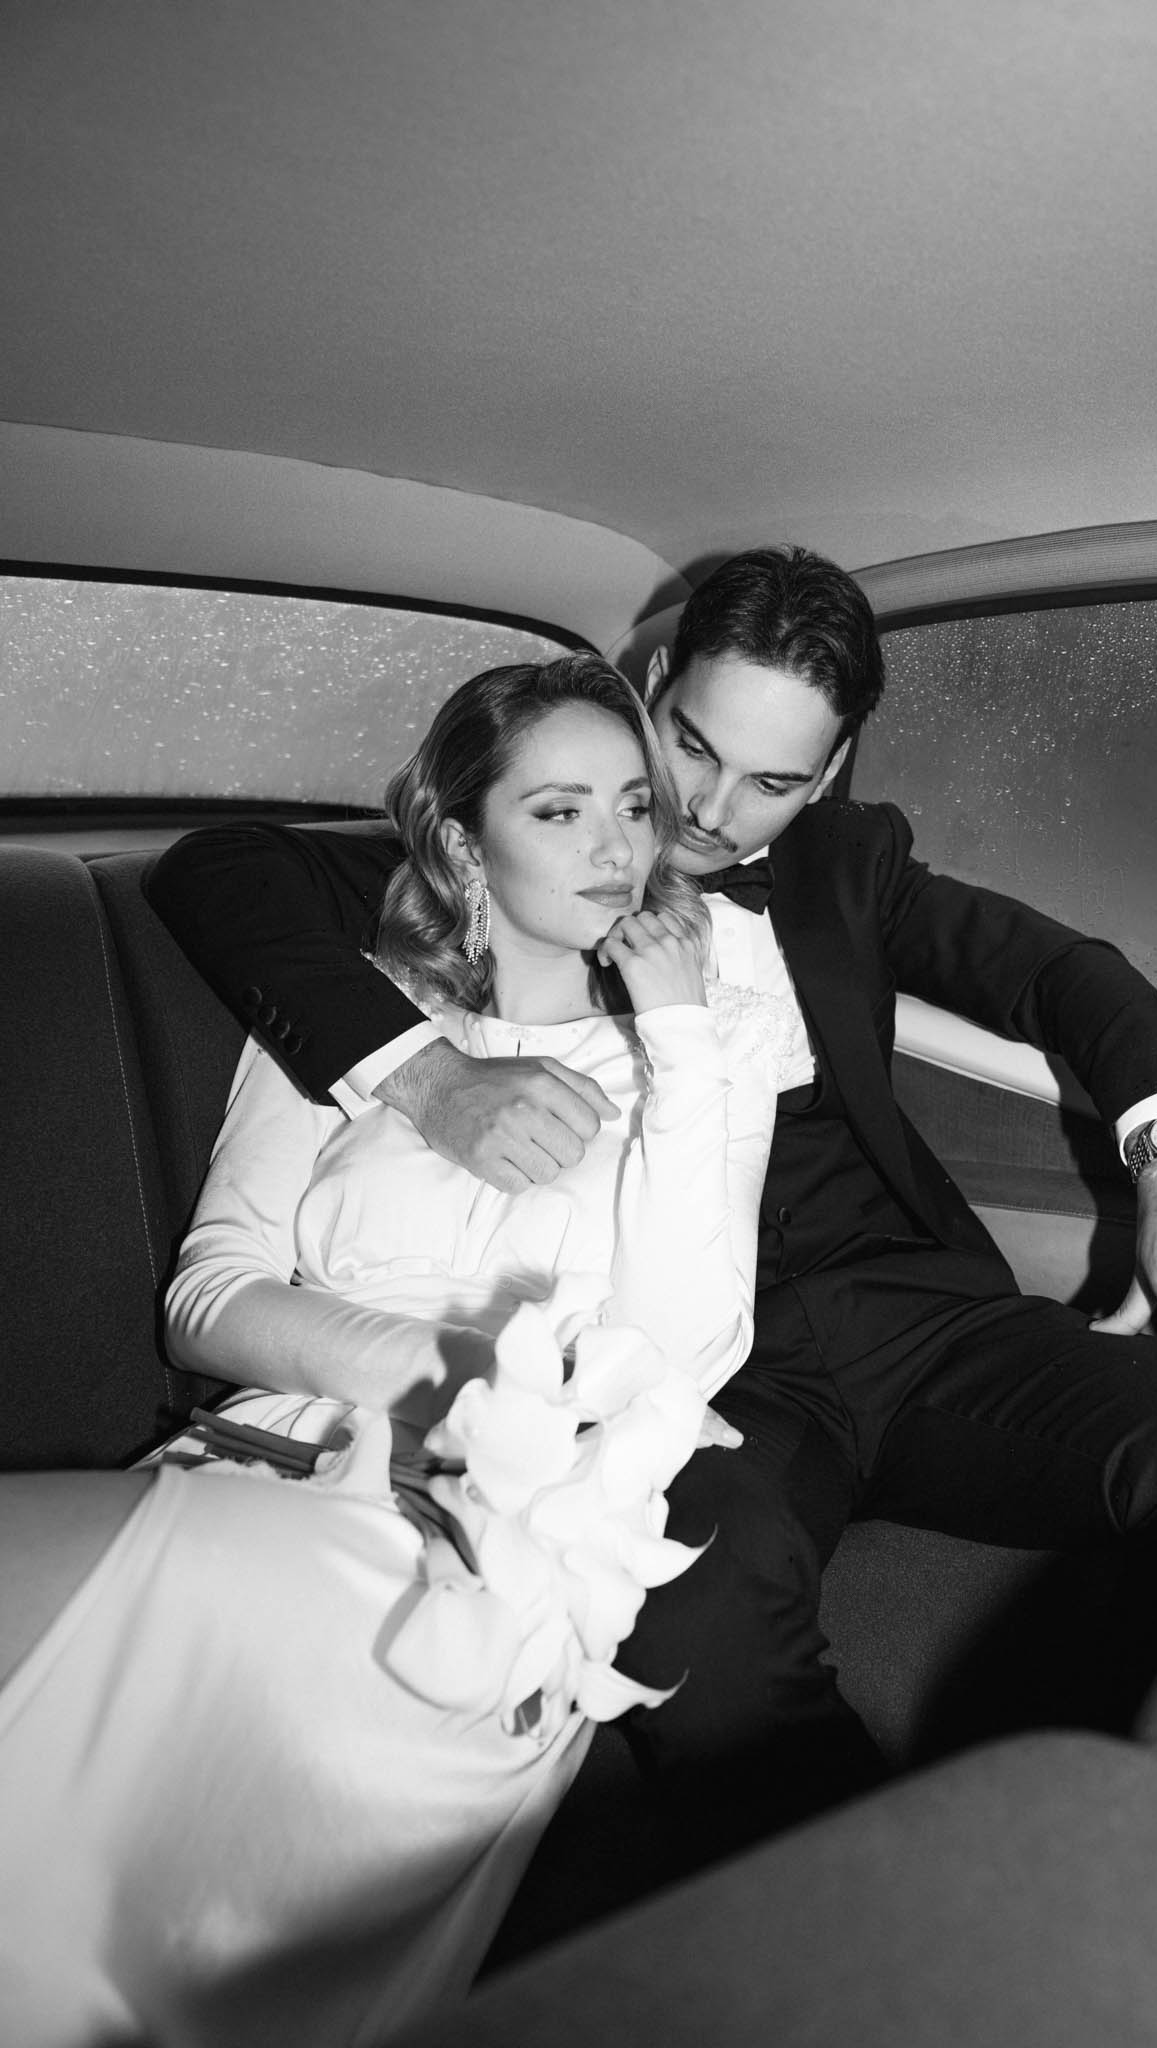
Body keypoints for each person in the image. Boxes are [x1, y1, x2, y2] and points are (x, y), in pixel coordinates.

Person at [146, 546, 1157, 1870]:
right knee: (698, 1618)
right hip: (689, 1379)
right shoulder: (523, 848)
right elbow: (220, 871)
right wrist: (430, 1079)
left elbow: (1061, 975)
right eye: (687, 748)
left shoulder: (843, 871)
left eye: (770, 781)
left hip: (914, 1324)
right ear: (646, 686)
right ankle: (874, 1939)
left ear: (824, 779)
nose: (700, 812)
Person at [0, 654, 792, 2045]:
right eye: (557, 812)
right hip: (247, 1463)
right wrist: (453, 1371)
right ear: (462, 842)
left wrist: (673, 1031)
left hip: (480, 1545)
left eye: (632, 806)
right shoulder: (362, 1025)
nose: (616, 848)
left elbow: (680, 1353)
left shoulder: (701, 1053)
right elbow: (209, 1298)